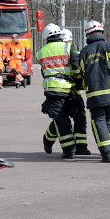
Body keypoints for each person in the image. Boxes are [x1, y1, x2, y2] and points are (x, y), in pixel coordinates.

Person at [78, 21, 110, 163]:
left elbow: (80, 74)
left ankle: (106, 153)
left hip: (94, 95)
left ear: (87, 34)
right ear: (102, 32)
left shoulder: (84, 52)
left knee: (98, 122)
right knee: (109, 120)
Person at [36, 24, 82, 159]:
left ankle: (49, 140)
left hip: (52, 90)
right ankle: (69, 150)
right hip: (70, 89)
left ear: (46, 38)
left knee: (60, 119)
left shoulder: (41, 52)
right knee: (63, 119)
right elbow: (76, 68)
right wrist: (79, 83)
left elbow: (44, 73)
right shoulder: (68, 48)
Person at [61, 28, 89, 155]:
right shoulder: (69, 52)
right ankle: (48, 140)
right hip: (68, 91)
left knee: (77, 119)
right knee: (65, 120)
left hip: (70, 92)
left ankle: (81, 147)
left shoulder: (74, 53)